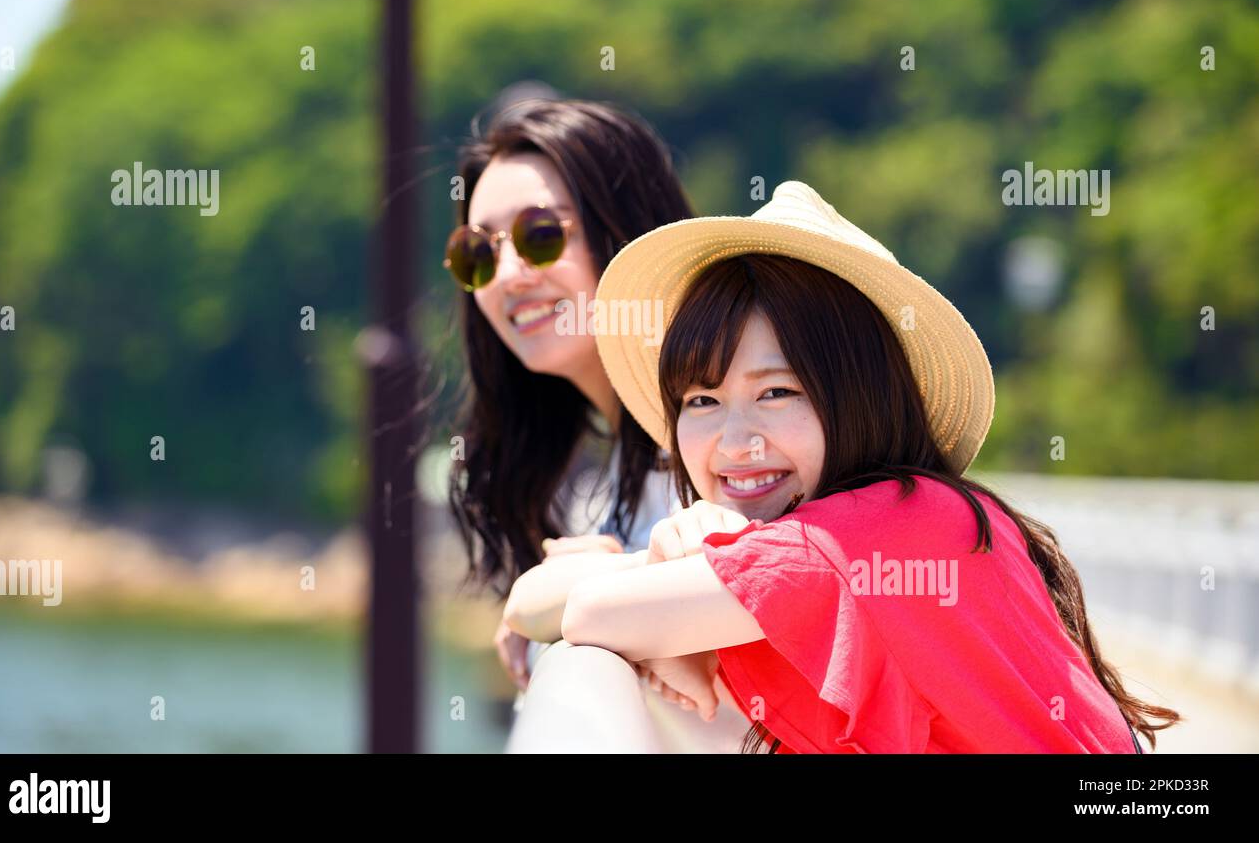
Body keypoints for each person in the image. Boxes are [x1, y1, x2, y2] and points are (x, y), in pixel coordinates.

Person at [558, 180, 1181, 752]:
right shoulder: (921, 515)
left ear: (860, 395)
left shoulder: (875, 532)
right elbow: (535, 599)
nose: (735, 439)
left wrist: (666, 571)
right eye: (702, 401)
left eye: (777, 392)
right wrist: (667, 559)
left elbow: (586, 614)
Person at [442, 97, 689, 689]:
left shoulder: (718, 450)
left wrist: (576, 586)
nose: (508, 275)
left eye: (542, 234)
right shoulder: (621, 477)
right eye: (478, 252)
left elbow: (771, 576)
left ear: (627, 232)